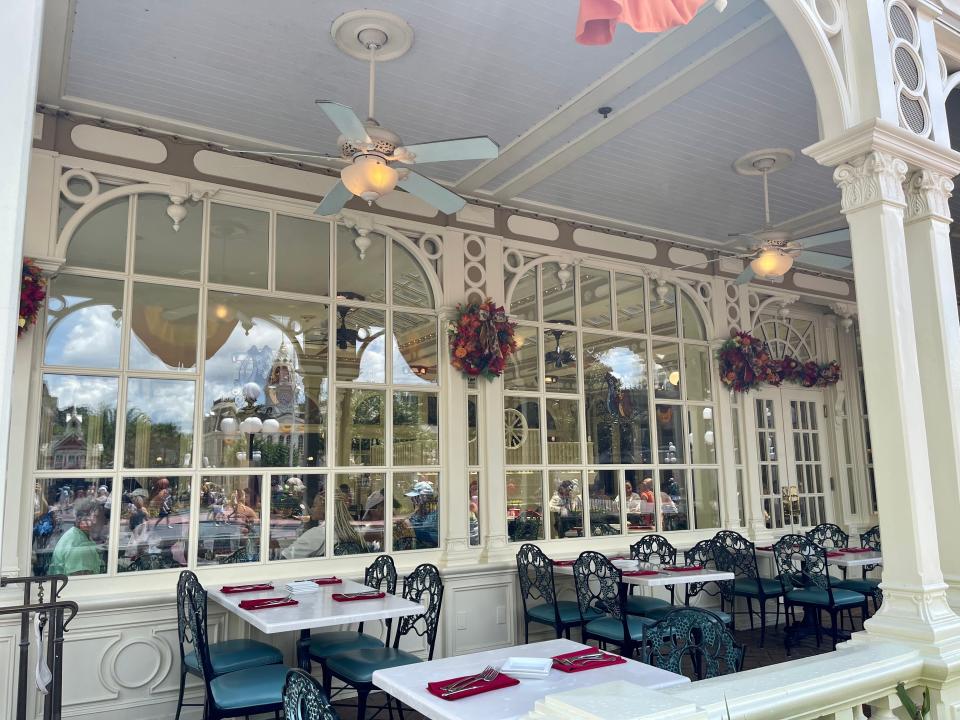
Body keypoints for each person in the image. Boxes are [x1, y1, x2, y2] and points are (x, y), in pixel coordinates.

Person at [48, 498, 105, 576]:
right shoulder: (80, 545)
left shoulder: (78, 535)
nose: (104, 522)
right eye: (100, 517)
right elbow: (81, 583)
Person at [404, 480, 439, 549]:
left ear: (424, 498)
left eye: (415, 497)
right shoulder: (416, 514)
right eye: (412, 498)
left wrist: (412, 531)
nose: (412, 500)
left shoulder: (436, 516)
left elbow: (438, 538)